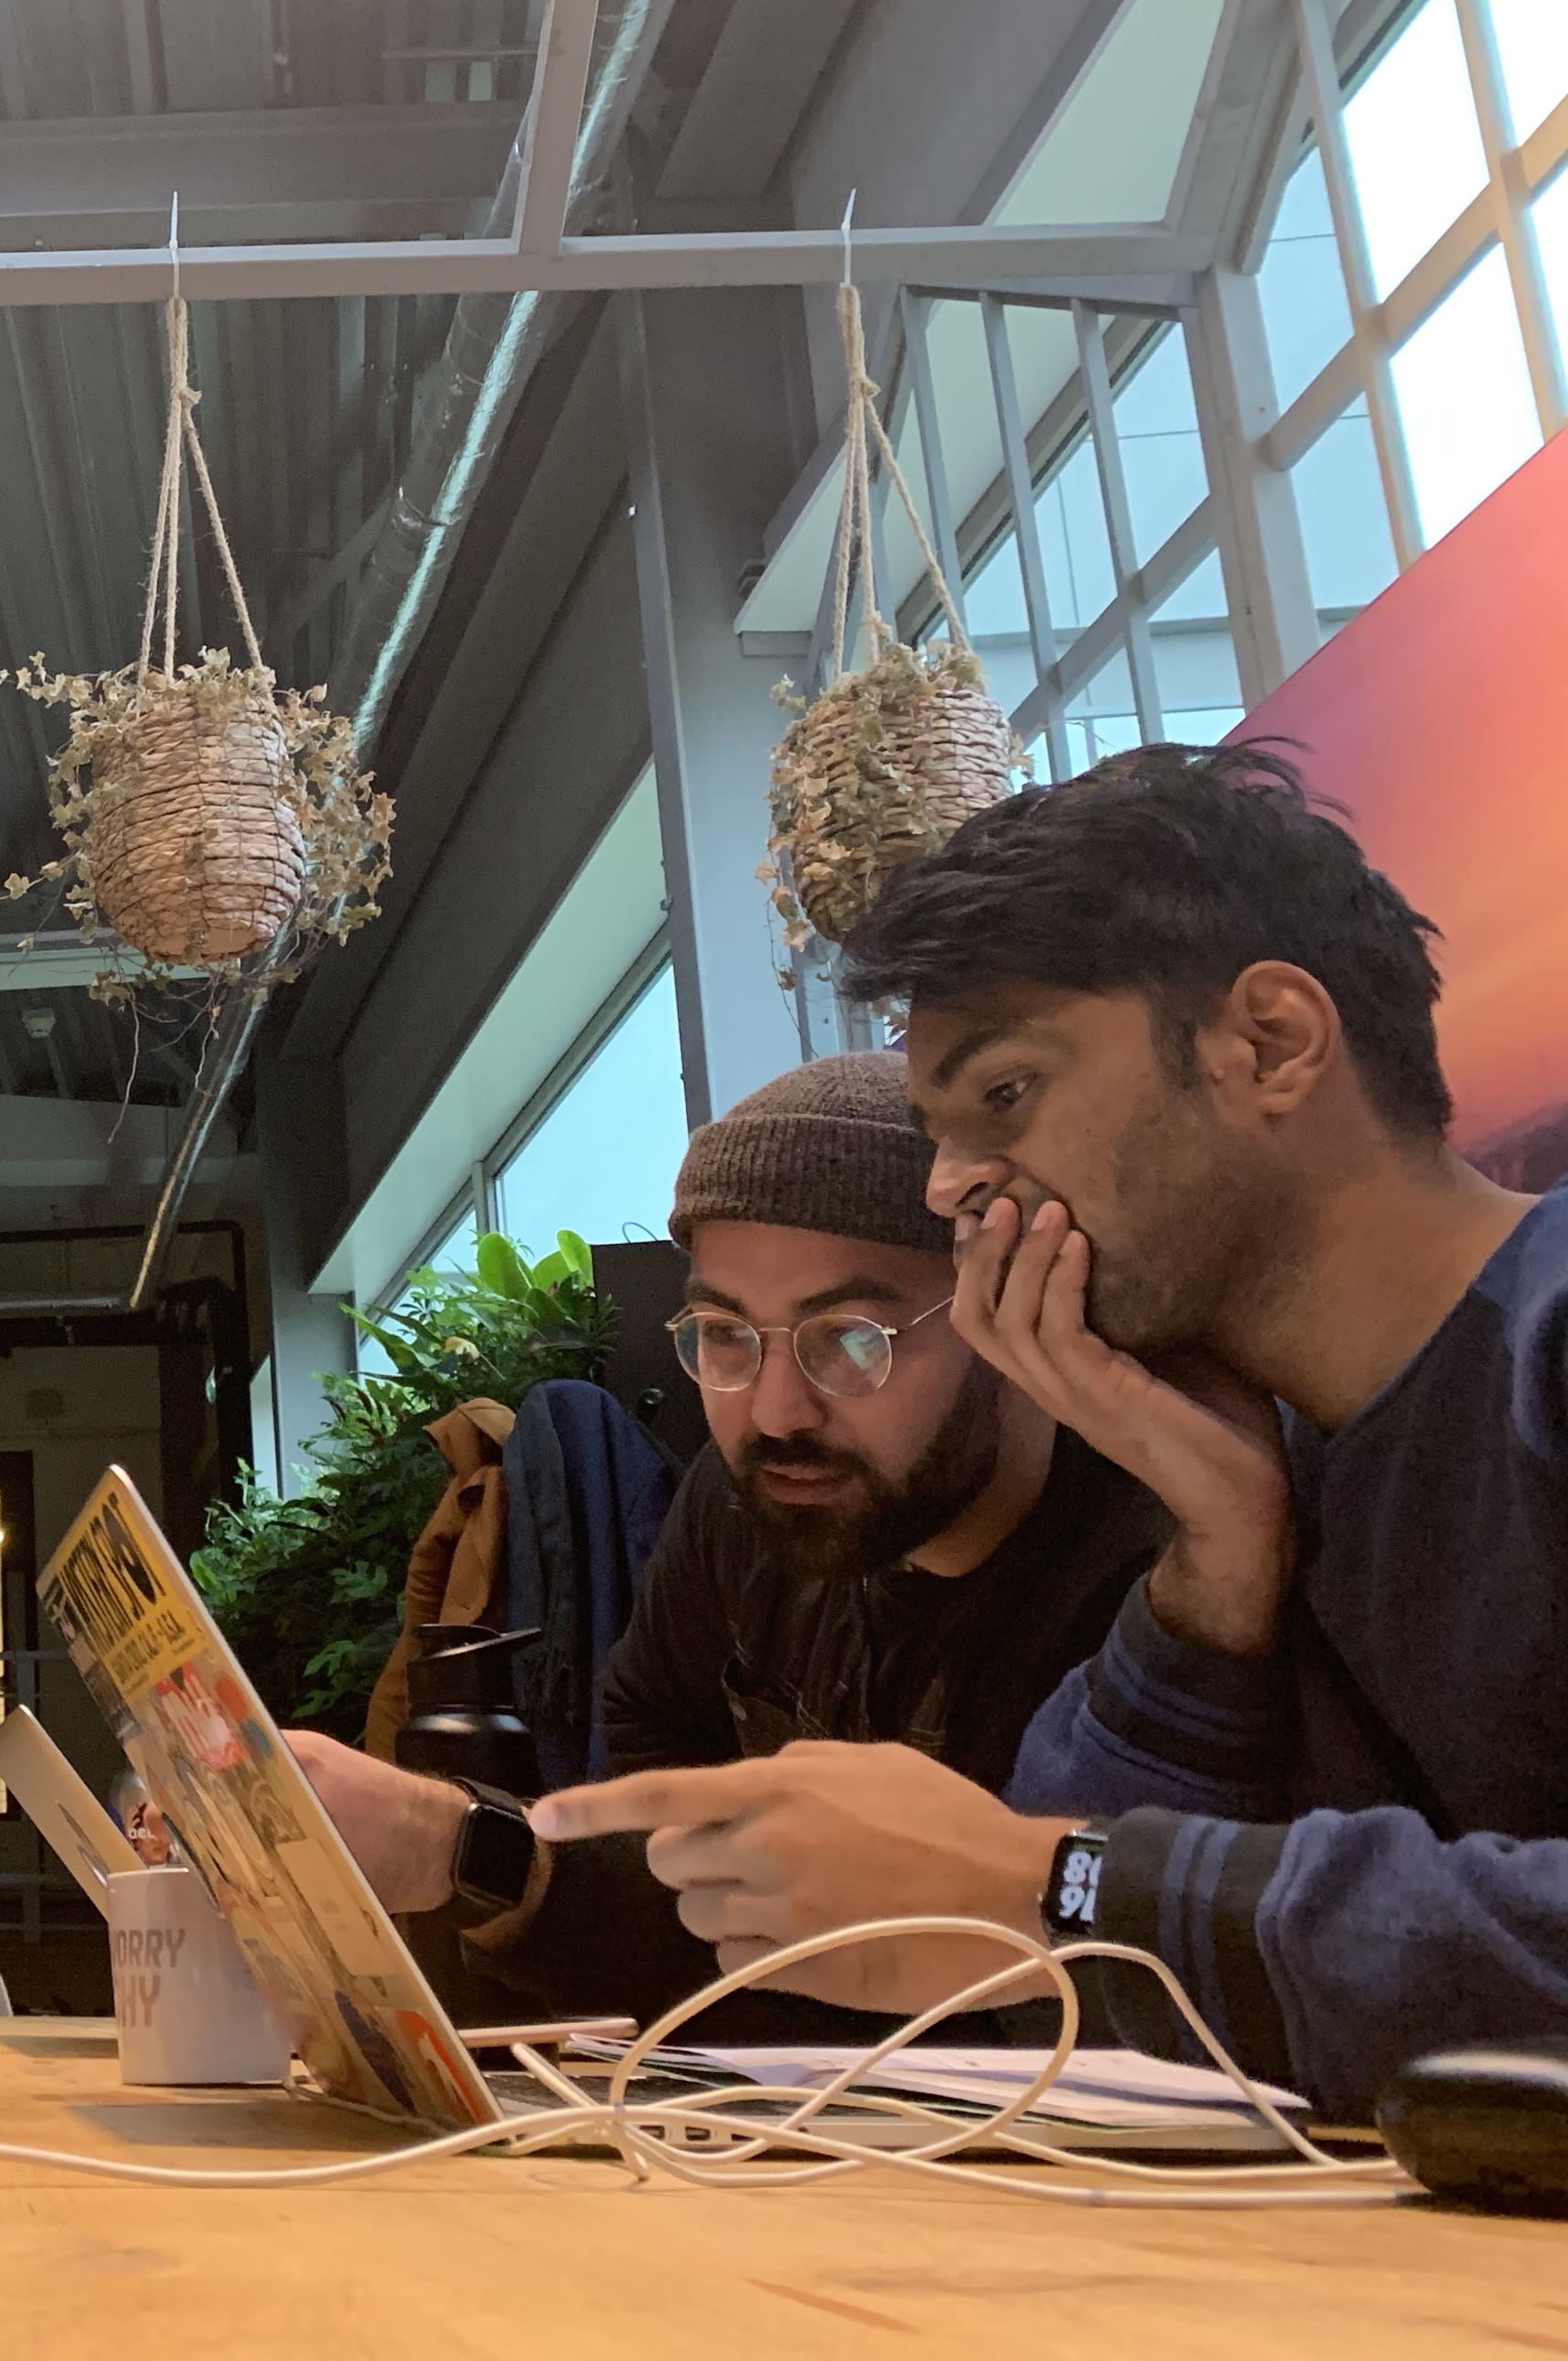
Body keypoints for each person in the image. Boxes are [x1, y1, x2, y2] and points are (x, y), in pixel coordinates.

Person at [532, 745, 1563, 2117]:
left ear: (1270, 1044)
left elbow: (1046, 1905)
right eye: (940, 1132)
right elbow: (1073, 2003)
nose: (954, 1188)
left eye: (1005, 1096)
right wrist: (1210, 1570)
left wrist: (1055, 1886)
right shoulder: (1258, 1465)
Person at [283, 1052, 1163, 2032]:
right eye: (726, 1336)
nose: (778, 1412)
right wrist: (443, 1845)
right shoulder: (746, 1504)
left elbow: (1050, 1998)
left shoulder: (1152, 1576)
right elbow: (679, 1833)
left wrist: (477, 1857)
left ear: (1011, 1311)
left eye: (854, 1338)